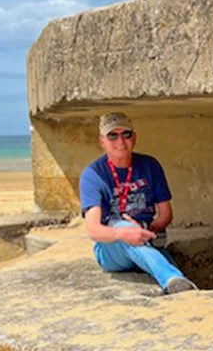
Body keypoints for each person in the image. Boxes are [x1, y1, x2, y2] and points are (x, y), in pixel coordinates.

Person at [79, 112, 198, 294]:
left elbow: (166, 214)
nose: (120, 141)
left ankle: (178, 284)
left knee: (155, 253)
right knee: (123, 226)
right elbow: (93, 229)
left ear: (134, 137)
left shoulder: (150, 165)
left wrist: (144, 230)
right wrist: (125, 232)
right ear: (102, 141)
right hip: (111, 247)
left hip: (147, 238)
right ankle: (173, 279)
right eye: (113, 136)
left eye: (126, 134)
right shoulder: (93, 175)